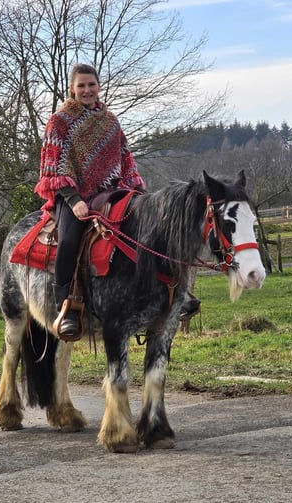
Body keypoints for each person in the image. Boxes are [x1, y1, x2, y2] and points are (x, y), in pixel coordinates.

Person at [33, 63, 199, 340]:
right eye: (81, 85)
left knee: (150, 235)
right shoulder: (59, 121)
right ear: (72, 89)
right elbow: (53, 168)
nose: (87, 90)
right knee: (70, 241)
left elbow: (125, 160)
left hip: (113, 193)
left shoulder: (110, 121)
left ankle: (173, 295)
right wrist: (73, 200)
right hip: (73, 197)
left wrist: (138, 193)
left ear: (99, 86)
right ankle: (68, 306)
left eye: (91, 85)